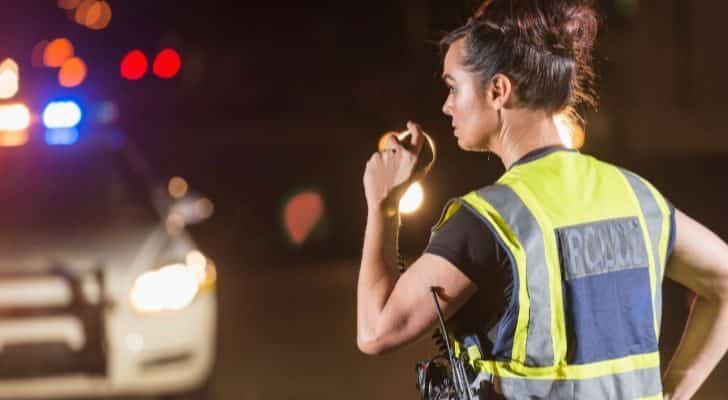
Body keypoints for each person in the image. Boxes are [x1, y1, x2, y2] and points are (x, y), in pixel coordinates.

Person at [356, 0, 728, 399]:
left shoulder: (490, 221)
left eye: (452, 87)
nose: (446, 106)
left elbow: (376, 331)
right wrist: (674, 394)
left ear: (498, 90)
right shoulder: (637, 198)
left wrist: (383, 205)